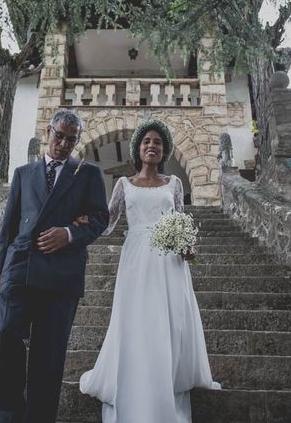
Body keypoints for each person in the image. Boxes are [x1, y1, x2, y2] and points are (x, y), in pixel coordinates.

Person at [79, 119, 221, 423]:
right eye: (146, 142)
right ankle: (137, 379)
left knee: (168, 320)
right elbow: (108, 223)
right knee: (138, 318)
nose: (152, 146)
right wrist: (82, 224)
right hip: (136, 258)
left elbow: (181, 222)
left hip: (169, 260)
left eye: (157, 142)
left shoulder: (175, 184)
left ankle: (166, 377)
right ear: (138, 149)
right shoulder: (123, 185)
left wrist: (187, 246)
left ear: (164, 149)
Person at [0, 109, 109, 423]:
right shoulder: (23, 174)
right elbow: (8, 228)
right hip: (20, 267)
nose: (64, 143)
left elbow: (100, 219)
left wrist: (69, 234)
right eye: (59, 135)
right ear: (48, 132)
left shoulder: (88, 173)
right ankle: (9, 410)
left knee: (48, 358)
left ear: (78, 140)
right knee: (0, 335)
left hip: (62, 275)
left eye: (71, 138)